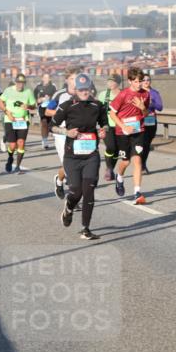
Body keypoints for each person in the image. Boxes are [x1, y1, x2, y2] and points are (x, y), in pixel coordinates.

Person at [52, 73, 106, 241]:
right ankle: (68, 208)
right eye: (81, 89)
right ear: (75, 90)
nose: (84, 92)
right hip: (72, 156)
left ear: (90, 88)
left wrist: (104, 130)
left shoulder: (97, 105)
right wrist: (66, 132)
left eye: (86, 89)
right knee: (76, 191)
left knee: (89, 190)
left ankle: (85, 228)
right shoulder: (67, 105)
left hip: (91, 155)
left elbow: (105, 123)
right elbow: (52, 126)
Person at [108, 67, 151, 204]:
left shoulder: (145, 94)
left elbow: (146, 114)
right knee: (125, 161)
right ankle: (119, 177)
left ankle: (137, 192)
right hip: (123, 132)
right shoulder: (123, 95)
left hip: (138, 131)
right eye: (137, 82)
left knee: (137, 160)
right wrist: (123, 126)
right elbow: (112, 114)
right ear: (130, 81)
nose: (140, 84)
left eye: (141, 81)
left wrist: (142, 107)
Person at [44, 68, 79, 199]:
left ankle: (59, 181)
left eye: (76, 79)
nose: (74, 82)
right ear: (66, 80)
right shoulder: (59, 95)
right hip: (61, 133)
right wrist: (63, 114)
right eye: (72, 79)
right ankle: (73, 198)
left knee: (75, 164)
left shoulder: (83, 94)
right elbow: (48, 111)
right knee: (69, 163)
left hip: (77, 133)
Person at [0, 73, 36, 174]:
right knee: (12, 145)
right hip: (10, 120)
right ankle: (10, 159)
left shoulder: (28, 92)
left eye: (22, 83)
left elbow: (33, 106)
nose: (20, 85)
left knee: (21, 143)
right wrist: (7, 112)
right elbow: (0, 102)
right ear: (16, 82)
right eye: (19, 82)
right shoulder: (9, 90)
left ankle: (18, 166)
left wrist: (28, 106)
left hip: (23, 121)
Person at [96, 74, 123, 181]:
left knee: (118, 150)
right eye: (109, 81)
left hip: (120, 125)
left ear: (118, 83)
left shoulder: (123, 94)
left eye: (113, 81)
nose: (110, 83)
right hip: (107, 125)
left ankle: (111, 169)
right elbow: (98, 109)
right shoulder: (103, 95)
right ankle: (108, 168)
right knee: (111, 146)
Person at [140, 73, 164, 174]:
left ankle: (143, 164)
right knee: (140, 143)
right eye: (144, 80)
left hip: (150, 120)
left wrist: (151, 103)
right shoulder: (137, 92)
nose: (146, 82)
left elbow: (160, 107)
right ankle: (140, 164)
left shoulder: (154, 93)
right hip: (139, 120)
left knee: (146, 144)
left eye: (148, 80)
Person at [34, 73, 57, 149]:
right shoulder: (38, 87)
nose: (46, 79)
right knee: (44, 122)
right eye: (45, 77)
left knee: (49, 124)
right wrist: (39, 100)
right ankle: (45, 141)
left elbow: (56, 97)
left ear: (50, 79)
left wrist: (49, 98)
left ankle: (51, 137)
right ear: (42, 78)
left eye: (48, 78)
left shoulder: (53, 87)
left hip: (50, 107)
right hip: (42, 107)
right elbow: (34, 98)